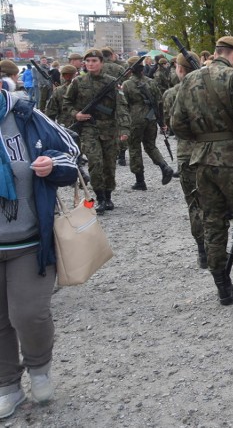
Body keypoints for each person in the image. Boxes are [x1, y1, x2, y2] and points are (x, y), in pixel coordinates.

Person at [0, 88, 79, 419]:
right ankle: (7, 386)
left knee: (28, 314)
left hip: (28, 240)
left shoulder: (25, 114)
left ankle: (39, 368)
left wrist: (52, 164)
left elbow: (71, 153)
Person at [170, 37, 233, 306]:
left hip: (201, 161)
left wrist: (203, 139)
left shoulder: (189, 80)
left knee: (212, 222)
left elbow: (177, 124)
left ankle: (222, 288)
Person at [63, 49, 130, 213]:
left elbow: (122, 106)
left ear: (101, 63)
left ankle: (108, 196)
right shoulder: (78, 82)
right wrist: (76, 114)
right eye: (88, 61)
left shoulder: (112, 82)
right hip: (89, 128)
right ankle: (99, 197)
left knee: (109, 165)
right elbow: (66, 103)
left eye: (94, 61)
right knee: (95, 162)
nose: (91, 64)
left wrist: (125, 128)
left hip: (109, 128)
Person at [162, 51, 207, 269]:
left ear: (179, 69)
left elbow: (171, 125)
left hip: (187, 152)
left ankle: (203, 250)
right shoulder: (210, 88)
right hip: (212, 151)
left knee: (194, 203)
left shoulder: (172, 94)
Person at [121, 57, 174, 191]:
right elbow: (159, 102)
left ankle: (140, 181)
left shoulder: (127, 84)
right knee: (151, 146)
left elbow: (124, 104)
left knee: (134, 148)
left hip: (135, 119)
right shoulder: (152, 82)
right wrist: (161, 121)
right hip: (151, 117)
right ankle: (164, 166)